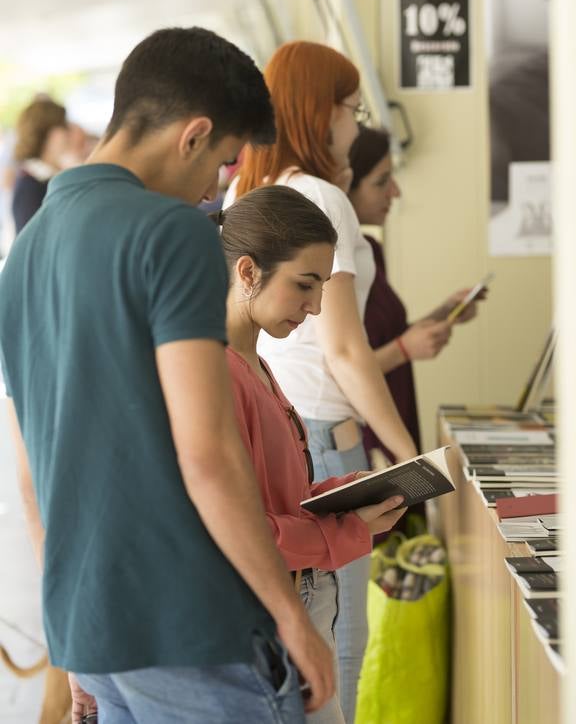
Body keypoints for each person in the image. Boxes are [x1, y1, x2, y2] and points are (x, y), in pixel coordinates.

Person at [0, 27, 336, 724]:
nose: (213, 190)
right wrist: (290, 616)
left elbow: (32, 473)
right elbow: (207, 453)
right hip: (191, 625)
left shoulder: (25, 252)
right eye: (221, 162)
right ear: (194, 134)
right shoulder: (171, 232)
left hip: (95, 629)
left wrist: (71, 641)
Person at [225, 40, 417, 723]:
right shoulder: (322, 201)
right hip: (323, 443)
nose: (354, 125)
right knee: (340, 648)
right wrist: (404, 461)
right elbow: (342, 348)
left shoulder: (246, 197)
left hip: (305, 450)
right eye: (350, 108)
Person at [348, 124, 481, 479]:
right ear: (346, 186)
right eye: (381, 182)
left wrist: (444, 312)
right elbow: (343, 365)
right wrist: (405, 350)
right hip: (368, 427)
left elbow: (385, 334)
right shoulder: (336, 267)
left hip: (397, 407)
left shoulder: (371, 251)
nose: (395, 191)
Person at [11, 97, 70, 233]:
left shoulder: (47, 177)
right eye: (64, 126)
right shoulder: (30, 186)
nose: (68, 133)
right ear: (50, 133)